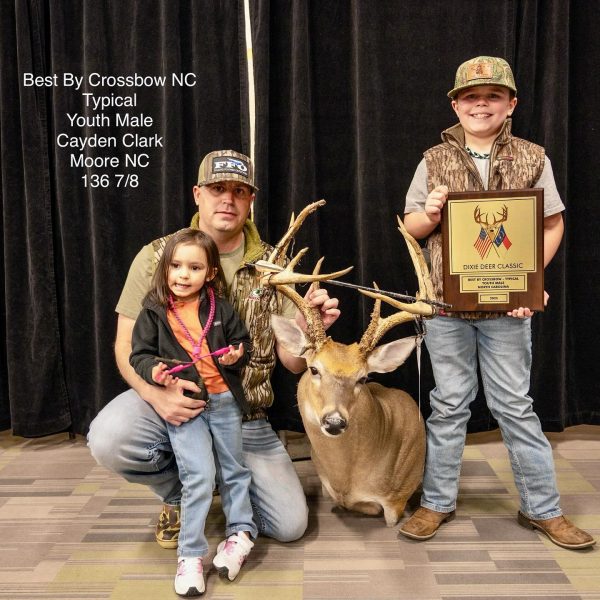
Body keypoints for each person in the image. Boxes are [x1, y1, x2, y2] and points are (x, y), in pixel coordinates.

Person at [87, 150, 340, 558]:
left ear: (251, 200)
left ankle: (218, 474)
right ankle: (181, 493)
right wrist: (155, 395)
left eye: (239, 191)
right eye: (217, 188)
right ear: (197, 194)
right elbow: (125, 345)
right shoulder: (157, 257)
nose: (228, 199)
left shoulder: (276, 265)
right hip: (175, 405)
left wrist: (311, 331)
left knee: (291, 525)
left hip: (244, 416)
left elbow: (292, 362)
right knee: (109, 437)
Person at [399, 56, 595, 550]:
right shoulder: (432, 160)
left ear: (511, 104)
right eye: (471, 96)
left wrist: (530, 281)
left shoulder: (533, 157)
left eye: (492, 96)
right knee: (448, 406)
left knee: (515, 406)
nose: (481, 104)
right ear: (456, 105)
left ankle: (543, 509)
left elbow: (552, 222)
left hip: (509, 310)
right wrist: (430, 213)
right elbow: (411, 227)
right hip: (446, 309)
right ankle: (436, 502)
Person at [130, 228, 254, 595]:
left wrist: (236, 355)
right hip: (187, 407)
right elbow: (139, 355)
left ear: (210, 273)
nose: (183, 275)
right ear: (165, 268)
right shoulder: (153, 310)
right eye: (176, 266)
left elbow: (242, 342)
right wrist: (153, 372)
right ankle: (190, 555)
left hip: (225, 402)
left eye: (195, 268)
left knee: (234, 470)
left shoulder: (221, 307)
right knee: (198, 476)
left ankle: (239, 535)